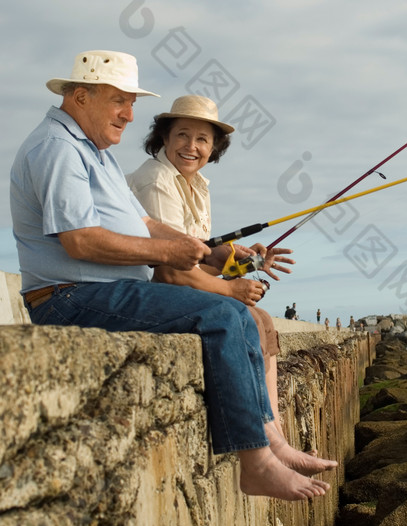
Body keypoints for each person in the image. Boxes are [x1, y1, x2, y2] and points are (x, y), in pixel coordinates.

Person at [10, 51, 332, 502]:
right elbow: (79, 242)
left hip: (105, 289)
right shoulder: (58, 149)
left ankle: (268, 446)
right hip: (69, 296)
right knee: (224, 315)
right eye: (119, 100)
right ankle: (257, 463)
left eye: (132, 102)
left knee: (238, 315)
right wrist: (170, 251)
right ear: (80, 96)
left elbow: (145, 225)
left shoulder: (94, 151)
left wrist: (216, 252)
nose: (129, 113)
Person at [126, 94, 336, 478]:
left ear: (214, 147)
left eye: (202, 139)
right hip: (152, 289)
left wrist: (250, 261)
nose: (192, 146)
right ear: (164, 138)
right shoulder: (156, 181)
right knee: (247, 317)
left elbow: (201, 253)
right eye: (183, 136)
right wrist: (232, 290)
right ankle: (268, 439)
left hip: (179, 281)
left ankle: (275, 434)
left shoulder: (196, 183)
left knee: (262, 319)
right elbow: (169, 266)